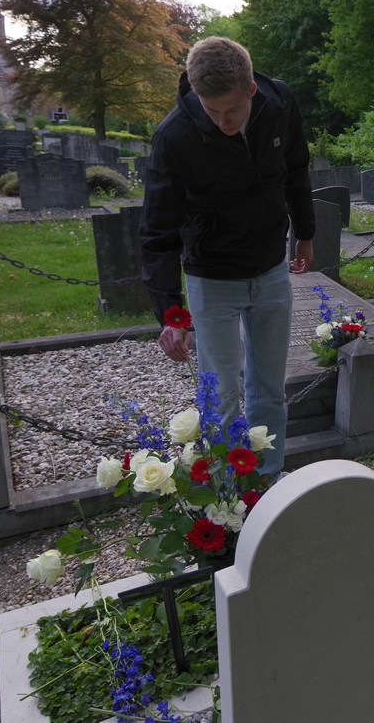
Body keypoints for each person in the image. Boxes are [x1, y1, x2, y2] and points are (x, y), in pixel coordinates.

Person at [140, 37, 315, 479]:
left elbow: (296, 167)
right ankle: (226, 495)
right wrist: (171, 314)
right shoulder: (175, 135)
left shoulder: (280, 103)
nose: (222, 122)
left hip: (270, 269)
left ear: (251, 89)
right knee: (220, 397)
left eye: (232, 110)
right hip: (212, 277)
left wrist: (306, 232)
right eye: (211, 111)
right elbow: (158, 231)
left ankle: (266, 480)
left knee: (269, 390)